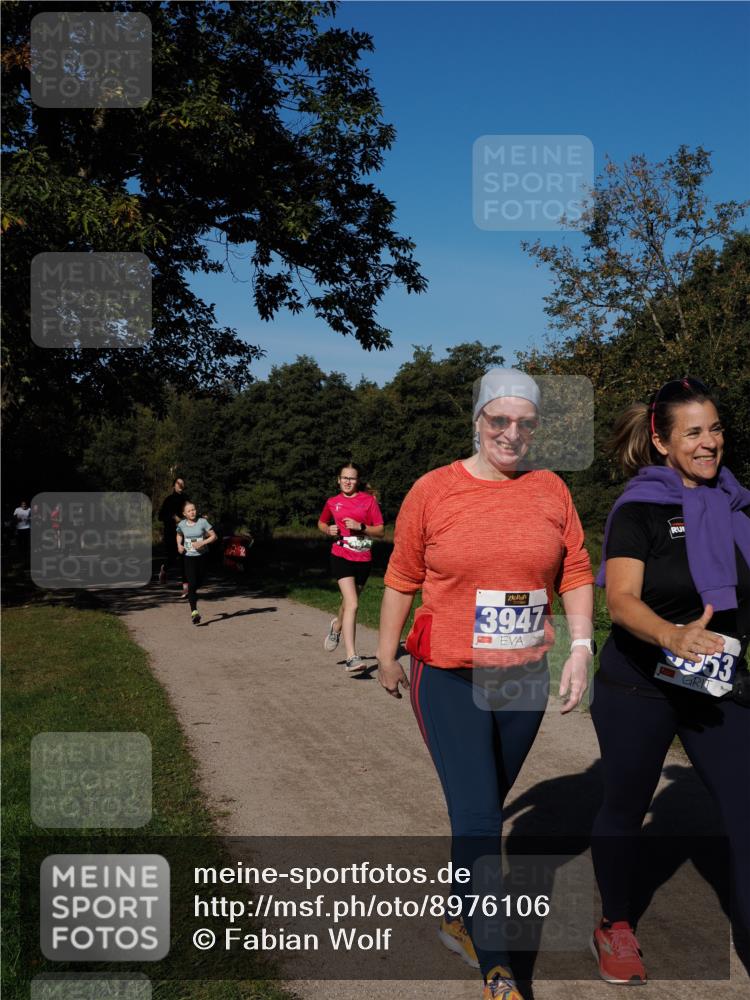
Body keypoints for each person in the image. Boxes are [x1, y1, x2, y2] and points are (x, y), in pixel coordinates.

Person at [376, 369, 595, 1000]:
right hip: (447, 674)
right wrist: (388, 655)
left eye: (525, 423)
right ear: (477, 421)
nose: (511, 433)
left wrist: (580, 646)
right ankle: (499, 971)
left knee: (484, 810)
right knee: (478, 817)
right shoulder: (435, 489)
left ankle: (456, 911)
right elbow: (401, 576)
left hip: (522, 678)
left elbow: (576, 567)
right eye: (498, 420)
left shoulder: (551, 489)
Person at [589, 377, 750, 984]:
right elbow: (623, 601)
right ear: (660, 440)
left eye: (715, 429)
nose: (709, 443)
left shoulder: (741, 506)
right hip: (641, 684)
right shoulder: (641, 509)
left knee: (746, 805)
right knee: (627, 806)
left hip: (715, 681)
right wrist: (671, 634)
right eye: (693, 432)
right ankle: (616, 922)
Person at [318, 463, 385, 675]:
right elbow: (321, 523)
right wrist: (328, 529)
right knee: (353, 604)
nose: (348, 481)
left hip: (363, 557)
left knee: (349, 603)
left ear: (358, 481)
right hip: (340, 555)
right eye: (344, 478)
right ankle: (351, 657)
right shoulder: (332, 502)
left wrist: (361, 527)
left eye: (352, 478)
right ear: (338, 479)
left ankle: (337, 626)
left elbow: (381, 531)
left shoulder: (368, 501)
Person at [176, 500, 217, 625]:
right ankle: (194, 612)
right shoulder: (182, 524)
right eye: (189, 511)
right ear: (184, 513)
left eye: (193, 509)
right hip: (189, 557)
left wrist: (202, 543)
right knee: (192, 583)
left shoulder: (202, 522)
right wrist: (179, 545)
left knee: (201, 581)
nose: (192, 512)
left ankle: (192, 592)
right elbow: (179, 534)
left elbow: (214, 536)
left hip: (202, 557)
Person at [158, 477, 186, 590]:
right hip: (171, 532)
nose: (180, 485)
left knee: (185, 556)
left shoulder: (186, 499)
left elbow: (191, 511)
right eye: (178, 483)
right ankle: (164, 569)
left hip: (185, 532)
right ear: (173, 486)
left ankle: (186, 584)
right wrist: (173, 517)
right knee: (172, 559)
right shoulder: (168, 500)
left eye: (182, 483)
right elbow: (160, 517)